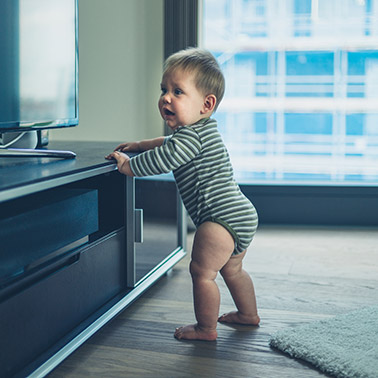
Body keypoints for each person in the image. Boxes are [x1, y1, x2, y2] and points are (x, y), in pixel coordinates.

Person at [106, 47, 260, 341]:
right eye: (164, 89)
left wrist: (129, 166)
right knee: (233, 270)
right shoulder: (200, 132)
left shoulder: (188, 138)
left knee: (202, 272)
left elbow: (165, 158)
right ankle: (248, 314)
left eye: (178, 92)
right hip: (239, 214)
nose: (166, 97)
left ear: (206, 104)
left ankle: (206, 328)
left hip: (219, 219)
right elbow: (165, 143)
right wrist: (140, 144)